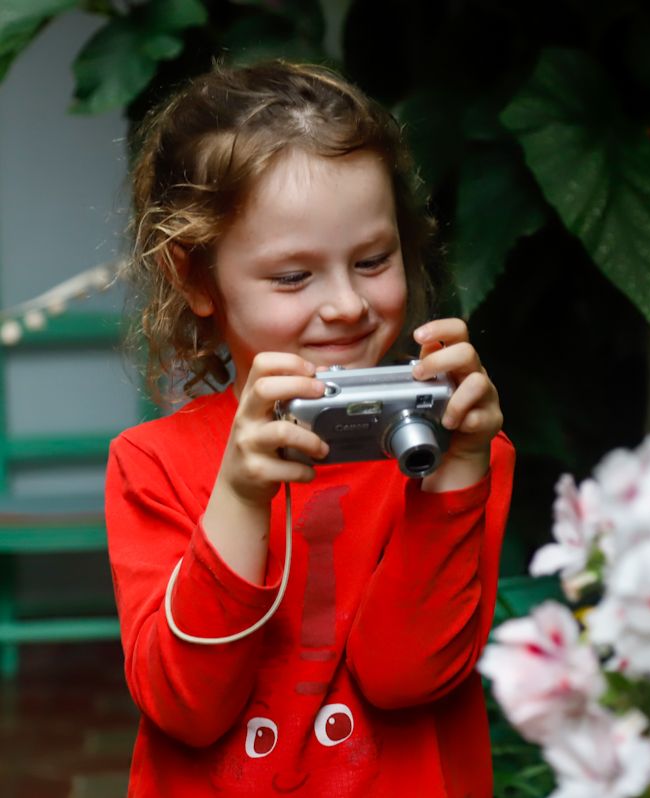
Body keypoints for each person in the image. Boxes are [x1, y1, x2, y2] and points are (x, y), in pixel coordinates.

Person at [105, 60, 514, 797]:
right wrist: (238, 494)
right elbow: (186, 708)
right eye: (294, 276)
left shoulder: (464, 449)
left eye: (372, 260)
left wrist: (453, 477)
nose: (348, 305)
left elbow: (405, 679)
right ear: (196, 279)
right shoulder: (151, 463)